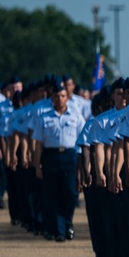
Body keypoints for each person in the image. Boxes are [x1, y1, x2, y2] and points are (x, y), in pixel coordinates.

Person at [30, 81, 86, 242]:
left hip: (70, 156)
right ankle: (58, 229)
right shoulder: (44, 117)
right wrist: (37, 165)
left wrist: (81, 163)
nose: (60, 99)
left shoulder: (75, 116)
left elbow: (82, 139)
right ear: (52, 98)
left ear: (67, 98)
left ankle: (67, 222)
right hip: (51, 157)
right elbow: (38, 143)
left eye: (62, 96)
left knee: (70, 193)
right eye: (56, 96)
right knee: (51, 194)